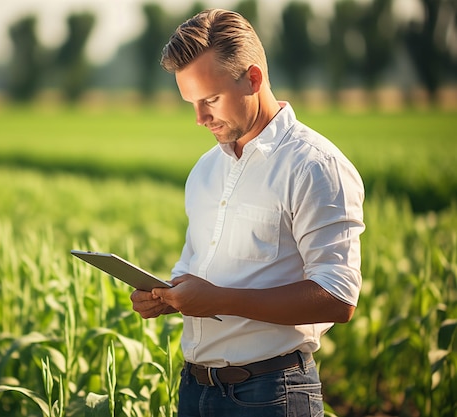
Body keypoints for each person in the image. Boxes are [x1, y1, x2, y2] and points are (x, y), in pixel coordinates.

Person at [130, 9, 365, 417]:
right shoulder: (206, 169)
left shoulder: (314, 165)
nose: (200, 118)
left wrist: (218, 300)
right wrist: (169, 297)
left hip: (272, 394)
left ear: (253, 79)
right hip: (194, 390)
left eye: (211, 100)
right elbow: (200, 274)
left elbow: (337, 297)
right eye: (191, 103)